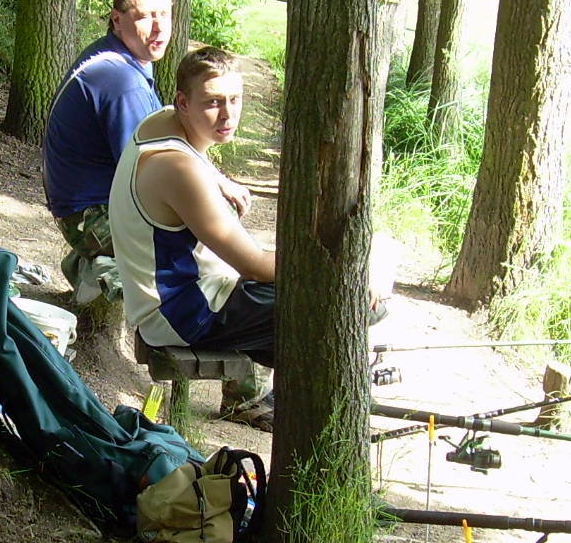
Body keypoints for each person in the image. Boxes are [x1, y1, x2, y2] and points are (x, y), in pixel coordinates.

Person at [110, 47, 389, 429]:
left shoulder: (161, 124)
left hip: (183, 296)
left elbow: (191, 159)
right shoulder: (178, 169)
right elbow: (253, 265)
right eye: (213, 103)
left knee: (328, 305)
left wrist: (219, 179)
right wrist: (348, 277)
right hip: (184, 313)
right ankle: (318, 415)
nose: (227, 115)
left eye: (235, 99)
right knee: (353, 306)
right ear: (183, 103)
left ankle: (305, 396)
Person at [41, 0, 250, 305]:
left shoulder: (119, 58)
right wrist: (215, 191)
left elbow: (165, 140)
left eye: (164, 14)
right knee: (207, 221)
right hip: (91, 219)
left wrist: (217, 178)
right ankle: (123, 281)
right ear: (117, 20)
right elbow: (153, 168)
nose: (159, 27)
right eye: (145, 17)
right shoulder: (122, 81)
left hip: (83, 209)